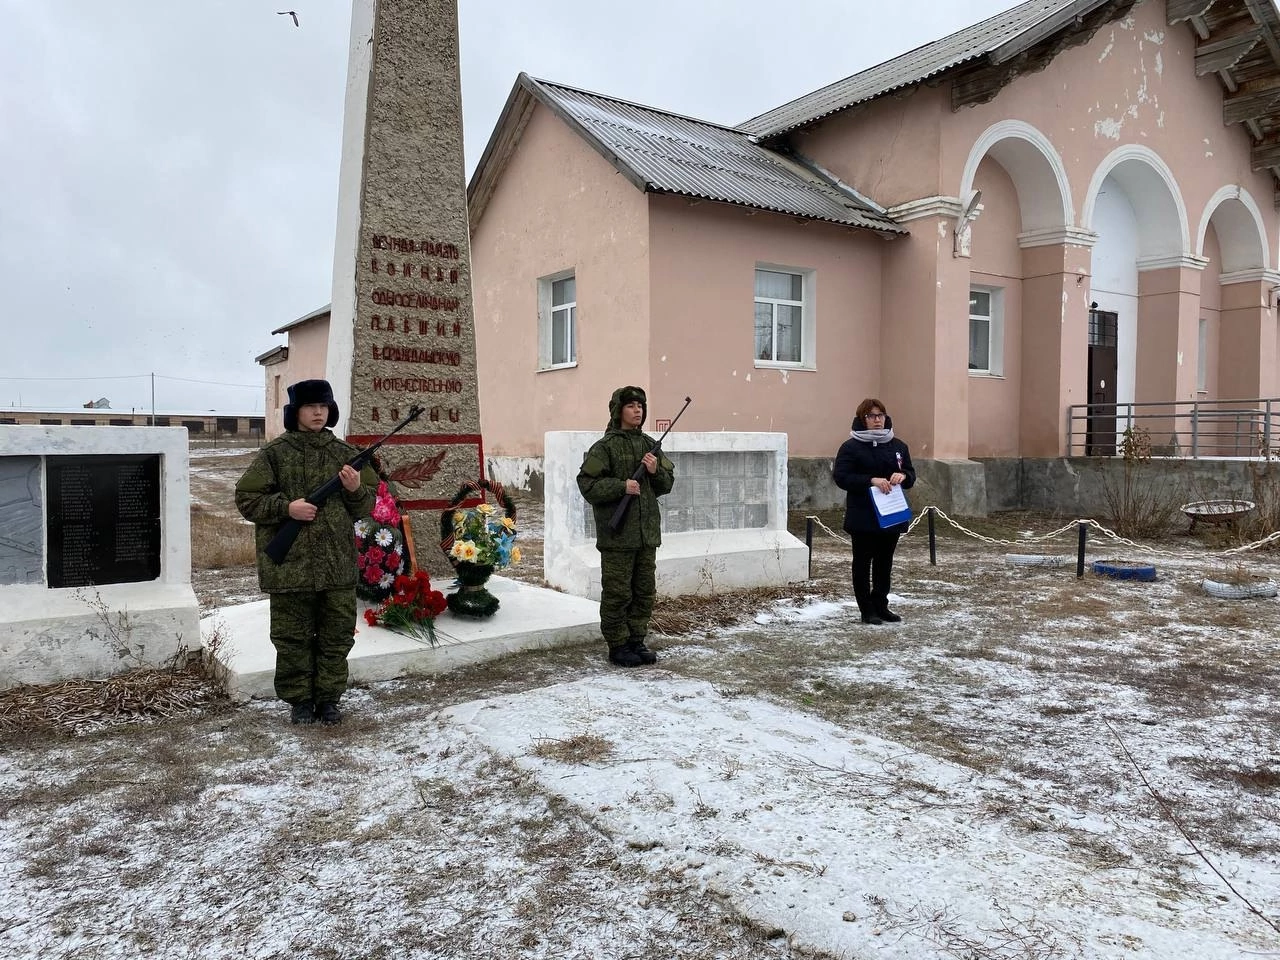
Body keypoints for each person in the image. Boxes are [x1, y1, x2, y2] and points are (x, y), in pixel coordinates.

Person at [235, 379, 377, 725]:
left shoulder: (345, 455)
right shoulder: (274, 454)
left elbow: (366, 506)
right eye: (311, 406)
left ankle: (329, 699)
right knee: (292, 637)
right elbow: (247, 499)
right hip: (291, 566)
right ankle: (299, 701)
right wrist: (288, 509)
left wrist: (356, 489)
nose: (318, 412)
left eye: (323, 406)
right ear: (295, 411)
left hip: (336, 565)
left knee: (337, 635)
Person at [577, 386, 675, 667]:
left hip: (646, 535)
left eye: (641, 406)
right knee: (618, 592)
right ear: (618, 410)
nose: (638, 411)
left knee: (644, 590)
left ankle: (636, 640)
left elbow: (667, 484)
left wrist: (655, 471)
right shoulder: (605, 447)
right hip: (618, 537)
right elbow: (587, 484)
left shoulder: (650, 445)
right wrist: (622, 486)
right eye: (631, 406)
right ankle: (618, 644)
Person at [832, 398, 916, 625]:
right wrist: (871, 480)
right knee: (862, 562)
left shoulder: (898, 446)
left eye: (880, 415)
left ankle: (881, 605)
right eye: (871, 416)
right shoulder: (850, 447)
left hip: (891, 513)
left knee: (884, 562)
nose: (877, 420)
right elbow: (842, 477)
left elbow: (910, 474)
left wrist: (903, 476)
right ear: (862, 419)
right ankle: (866, 609)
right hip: (863, 515)